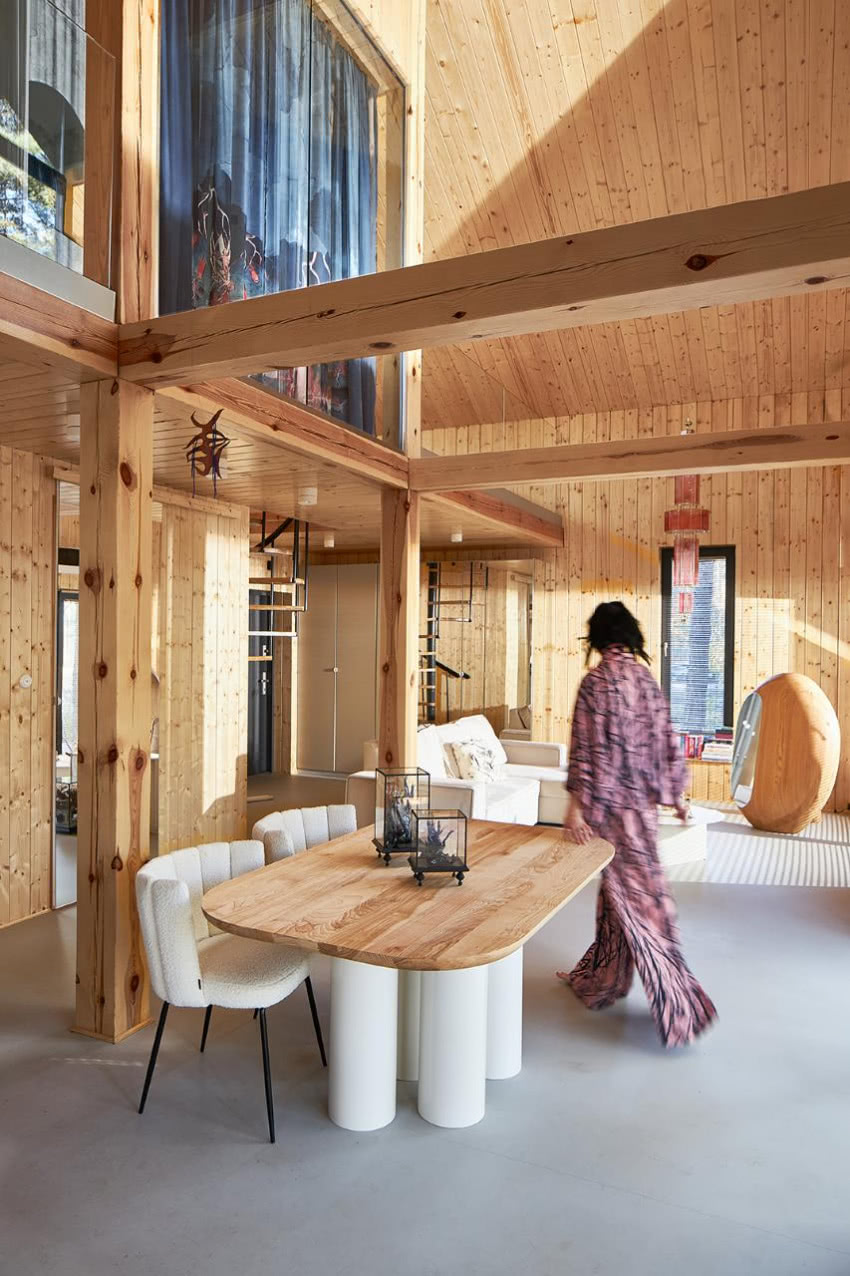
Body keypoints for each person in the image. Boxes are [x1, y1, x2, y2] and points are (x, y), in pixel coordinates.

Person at [557, 601, 716, 1048]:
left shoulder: (594, 684)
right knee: (628, 896)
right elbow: (666, 740)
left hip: (610, 815)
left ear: (597, 636)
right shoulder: (646, 681)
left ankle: (682, 1007)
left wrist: (575, 808)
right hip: (641, 815)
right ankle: (603, 979)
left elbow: (584, 750)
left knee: (638, 904)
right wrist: (676, 796)